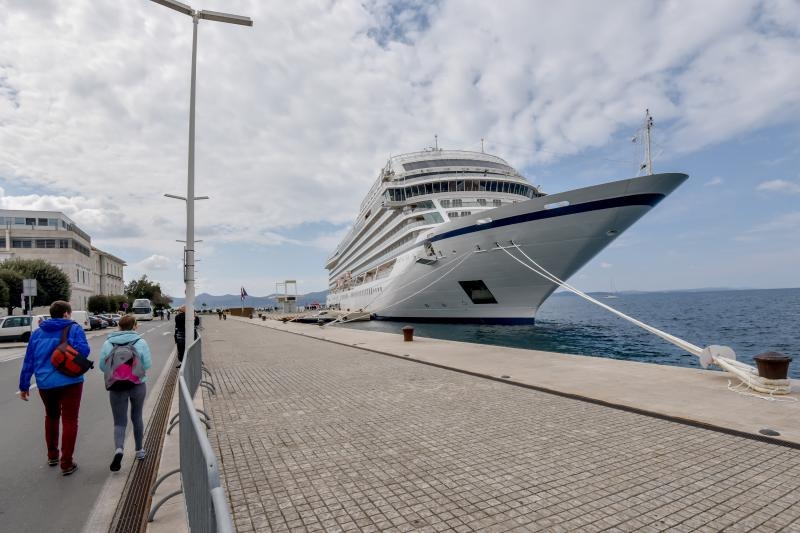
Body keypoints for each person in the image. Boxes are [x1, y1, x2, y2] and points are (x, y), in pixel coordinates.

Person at [18, 300, 91, 475]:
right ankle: (66, 463)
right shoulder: (74, 328)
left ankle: (52, 455)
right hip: (71, 382)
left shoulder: (37, 333)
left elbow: (29, 360)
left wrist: (24, 385)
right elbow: (84, 352)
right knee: (70, 420)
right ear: (66, 313)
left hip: (45, 383)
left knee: (51, 416)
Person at [99, 315, 152, 471]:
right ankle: (139, 450)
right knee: (137, 417)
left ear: (119, 326)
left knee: (119, 422)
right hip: (137, 384)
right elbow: (147, 364)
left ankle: (119, 449)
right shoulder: (141, 342)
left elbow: (103, 366)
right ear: (134, 326)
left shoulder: (108, 343)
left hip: (116, 386)